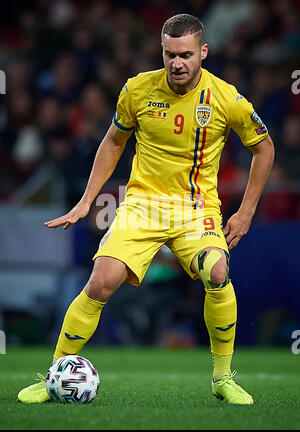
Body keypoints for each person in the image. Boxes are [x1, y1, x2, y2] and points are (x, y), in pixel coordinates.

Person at [18, 14, 274, 405]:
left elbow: (264, 148)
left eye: (186, 54)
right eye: (170, 54)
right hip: (143, 205)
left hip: (196, 206)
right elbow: (113, 141)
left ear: (203, 52)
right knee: (101, 282)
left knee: (217, 272)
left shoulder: (226, 98)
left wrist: (246, 211)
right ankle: (53, 375)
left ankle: (223, 377)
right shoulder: (137, 89)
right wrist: (87, 200)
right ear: (162, 52)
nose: (177, 63)